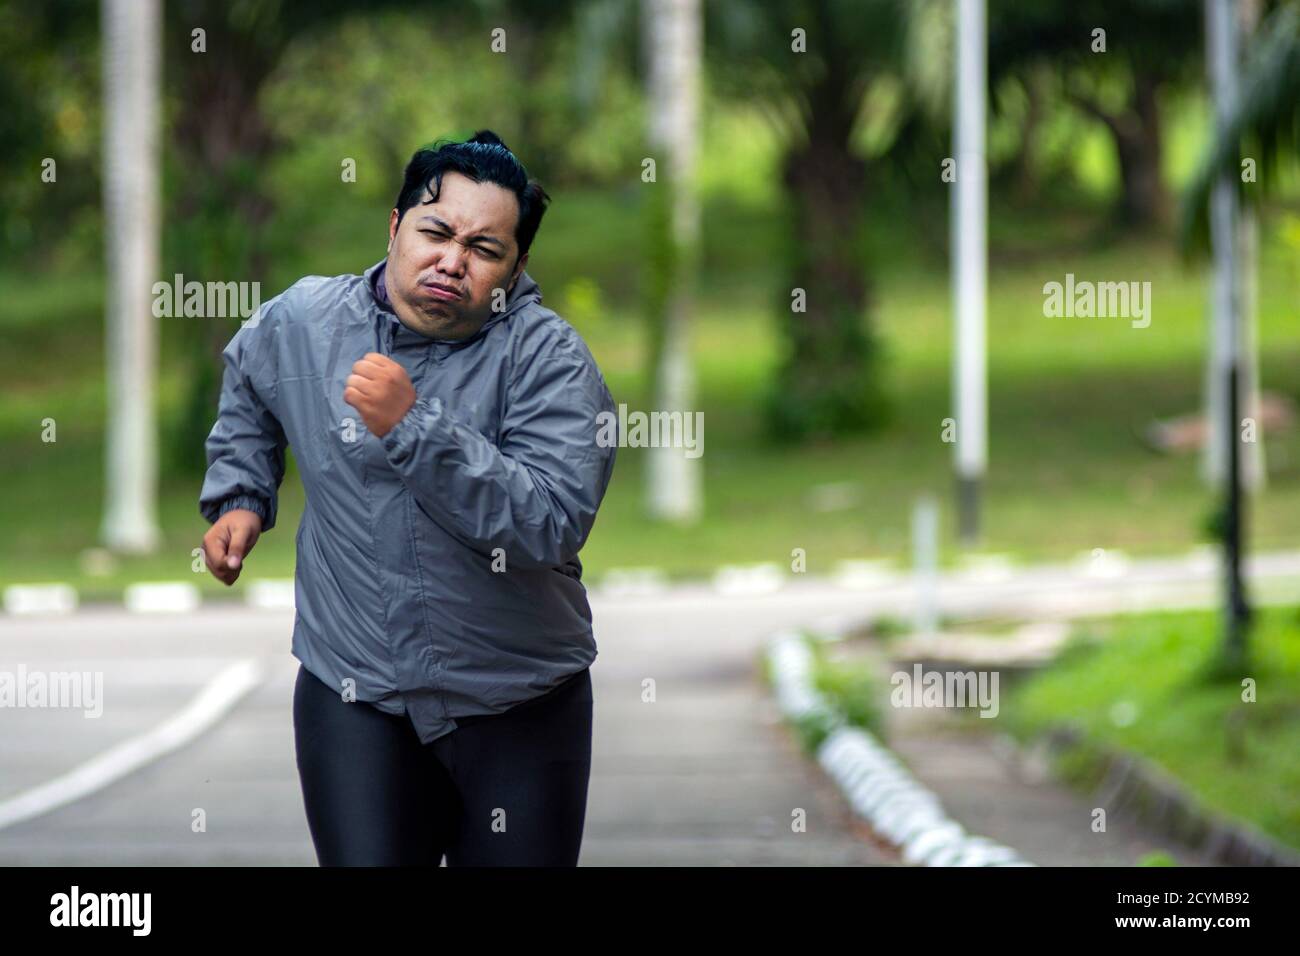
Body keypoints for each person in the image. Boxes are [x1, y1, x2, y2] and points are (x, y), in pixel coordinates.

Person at [197, 130, 618, 866]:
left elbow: (550, 522)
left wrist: (413, 426)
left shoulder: (549, 361)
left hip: (519, 704)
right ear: (395, 227)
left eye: (485, 249)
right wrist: (241, 494)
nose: (452, 261)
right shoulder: (304, 322)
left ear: (515, 268)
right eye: (436, 231)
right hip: (355, 698)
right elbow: (250, 386)